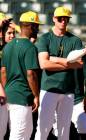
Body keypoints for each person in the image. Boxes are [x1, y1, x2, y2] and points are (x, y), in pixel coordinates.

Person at [34, 6, 83, 140]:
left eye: (66, 19)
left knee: (64, 131)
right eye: (60, 18)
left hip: (68, 90)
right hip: (49, 88)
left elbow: (80, 64)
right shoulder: (45, 38)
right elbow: (44, 64)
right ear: (54, 19)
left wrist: (54, 59)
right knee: (43, 129)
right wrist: (68, 63)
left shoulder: (75, 40)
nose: (63, 21)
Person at [1, 11, 40, 140]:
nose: (38, 29)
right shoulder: (30, 47)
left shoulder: (8, 46)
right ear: (30, 26)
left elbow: (3, 72)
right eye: (36, 26)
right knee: (19, 135)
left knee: (21, 133)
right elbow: (31, 74)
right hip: (22, 96)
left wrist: (7, 89)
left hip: (8, 95)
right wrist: (36, 95)